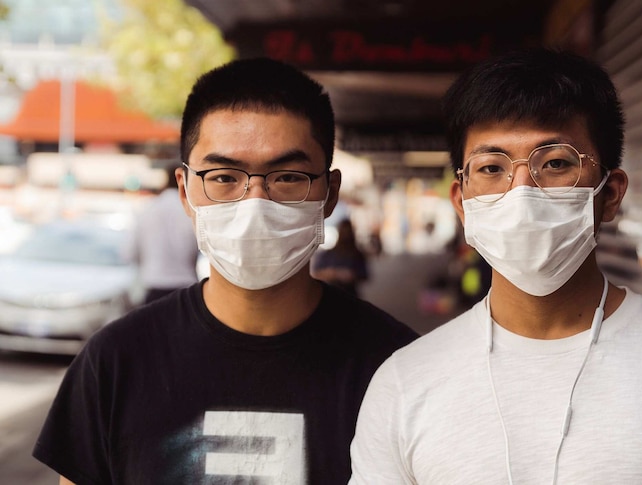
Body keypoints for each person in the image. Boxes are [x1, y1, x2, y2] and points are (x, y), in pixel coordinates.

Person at [349, 48, 642, 484]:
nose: (522, 193)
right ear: (462, 199)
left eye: (555, 163)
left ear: (610, 193)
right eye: (492, 168)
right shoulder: (406, 384)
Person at [33, 57, 418, 485]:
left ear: (328, 194)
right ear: (185, 191)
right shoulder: (115, 362)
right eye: (223, 177)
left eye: (287, 177)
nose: (254, 202)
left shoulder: (401, 368)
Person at [126, 164, 200, 304]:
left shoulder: (148, 209)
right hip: (186, 286)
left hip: (154, 285)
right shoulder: (192, 212)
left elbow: (130, 252)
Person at [312, 218, 369, 296]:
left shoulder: (357, 254)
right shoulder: (328, 254)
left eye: (348, 232)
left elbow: (364, 275)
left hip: (350, 295)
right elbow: (317, 273)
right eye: (344, 231)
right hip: (331, 295)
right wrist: (332, 273)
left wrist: (350, 275)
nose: (346, 234)